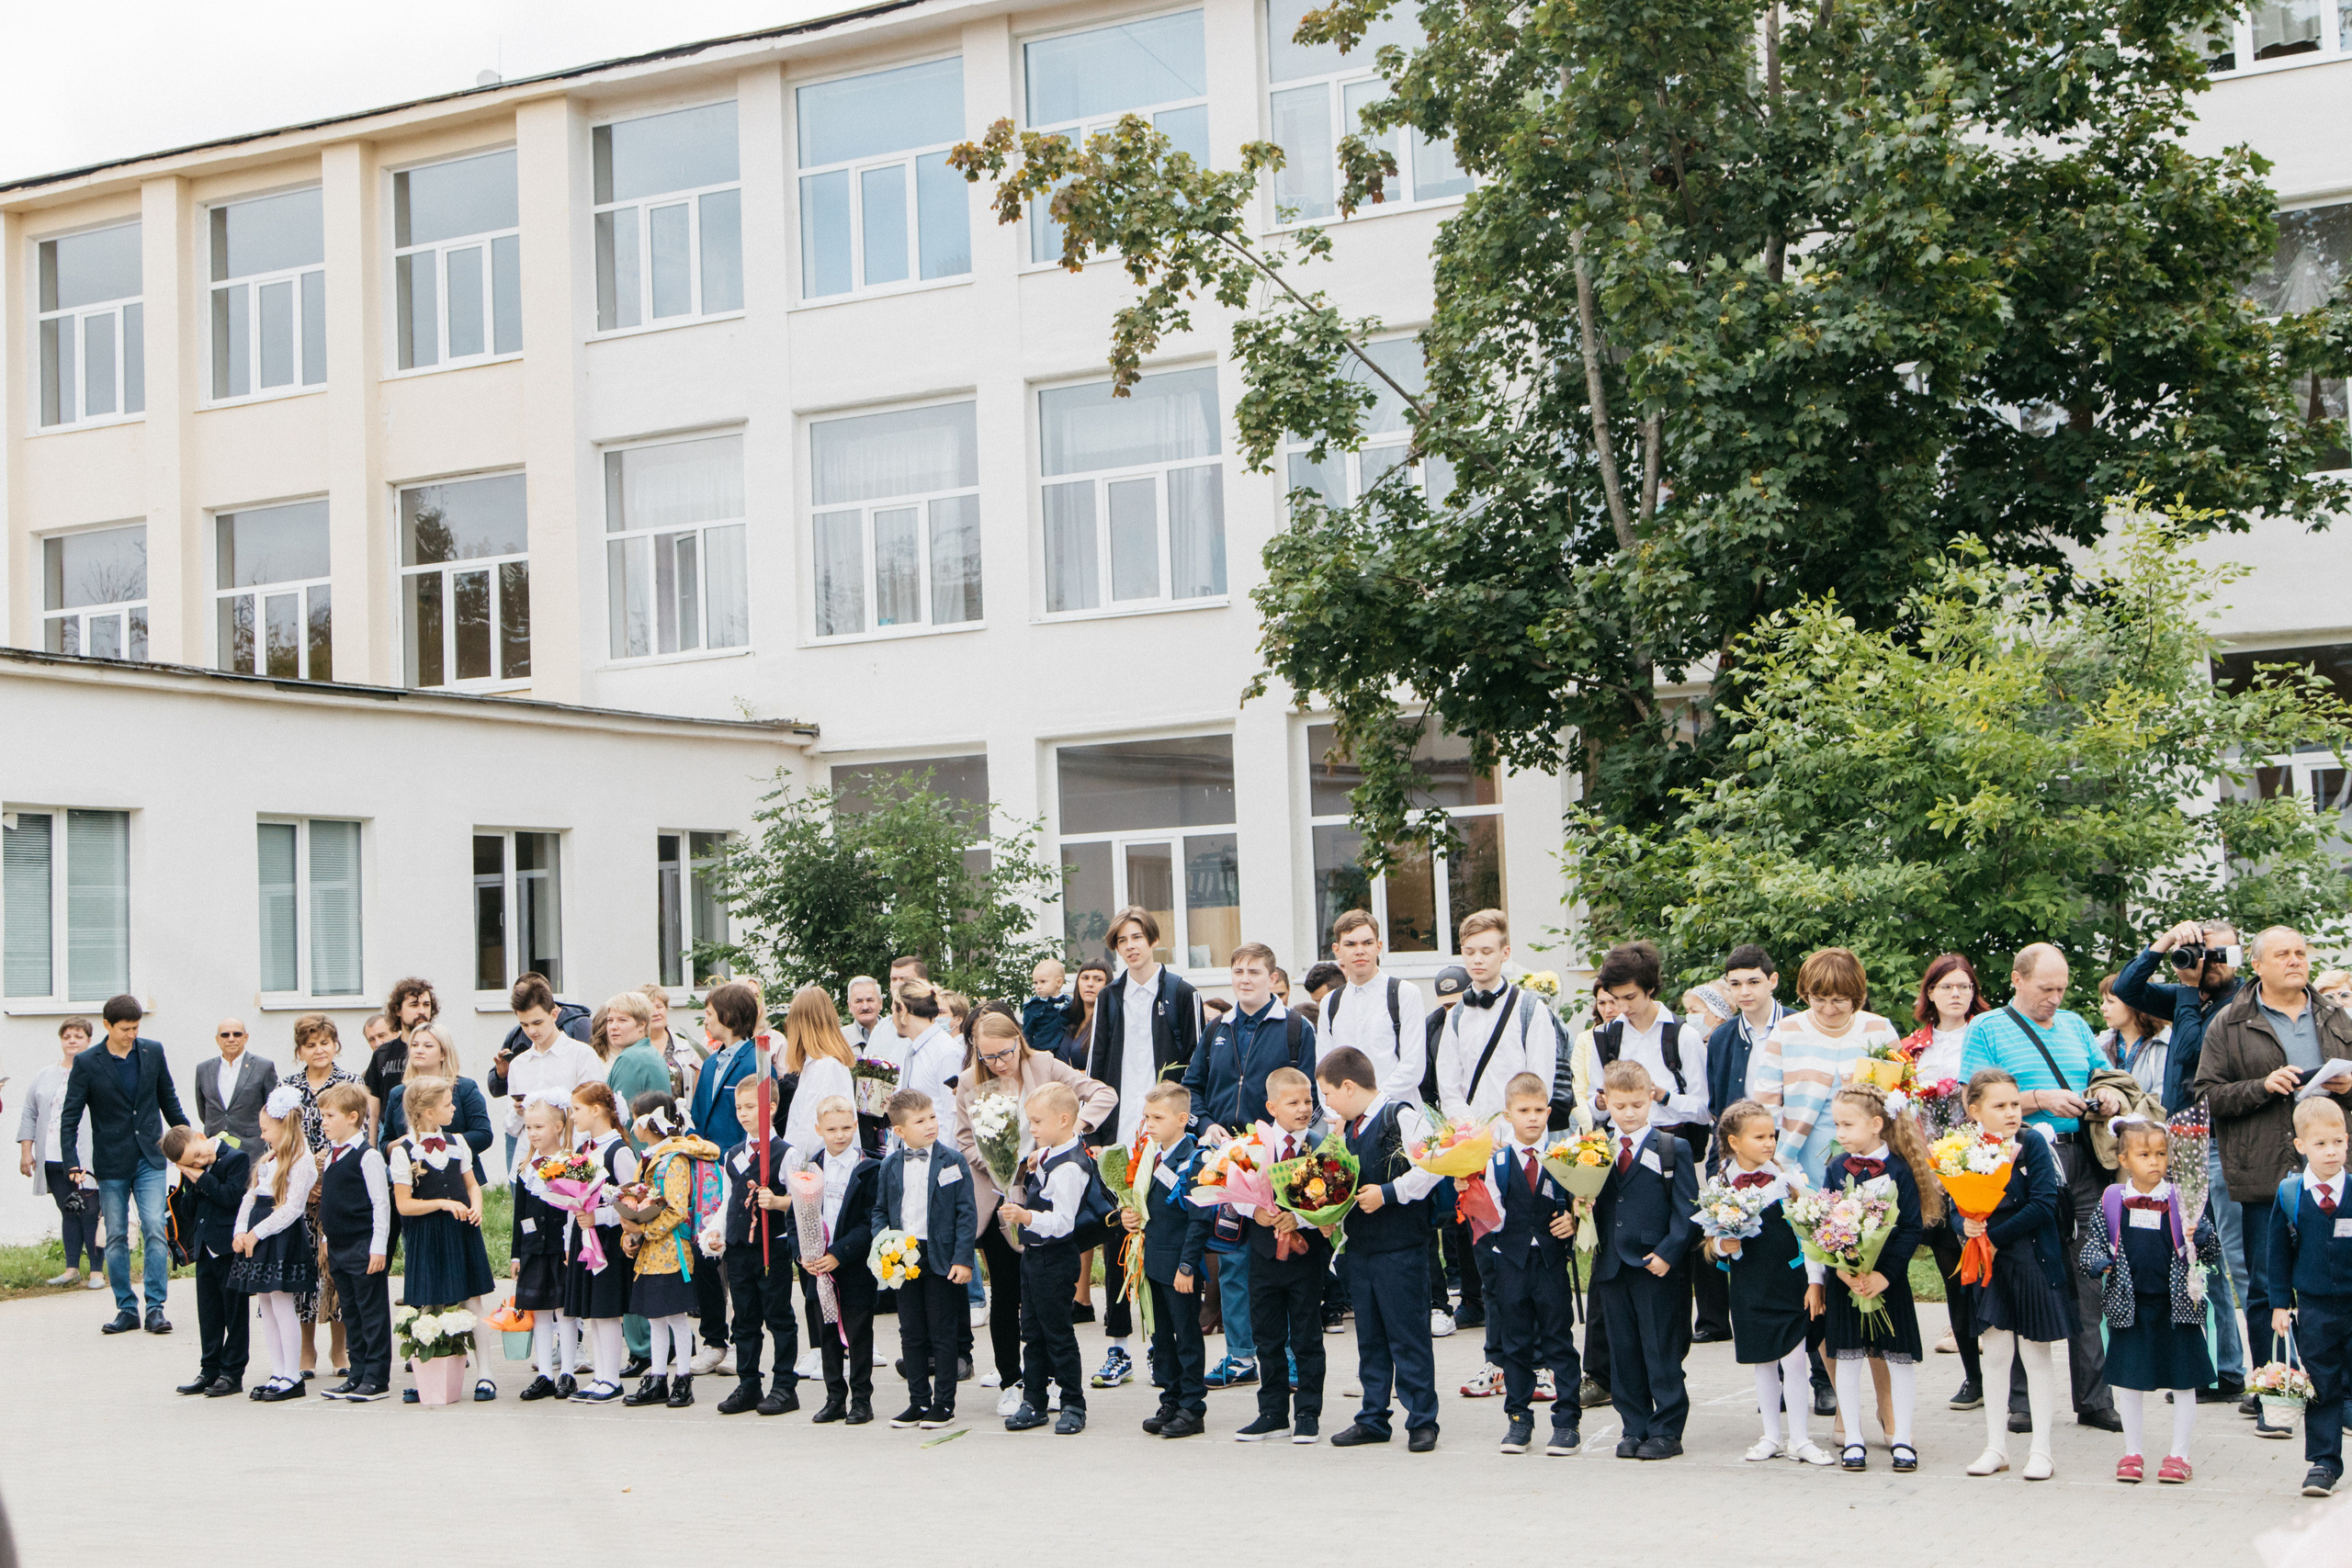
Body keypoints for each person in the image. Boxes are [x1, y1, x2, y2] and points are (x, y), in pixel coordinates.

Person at [2194, 925, 2352, 1385]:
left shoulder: (2337, 1018)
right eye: (2283, 953)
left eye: (2301, 952)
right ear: (2258, 966)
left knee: (2341, 1280)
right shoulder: (2229, 1021)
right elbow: (2206, 1097)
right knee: (2266, 1288)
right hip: (2265, 1172)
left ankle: (2338, 1392)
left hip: (2332, 1174)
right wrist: (2261, 1087)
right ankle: (2274, 1388)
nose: (2295, 960)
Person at [2114, 918, 2252, 1408]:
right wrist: (2168, 942)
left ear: (2238, 958)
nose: (2211, 963)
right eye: (2203, 953)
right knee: (2195, 1257)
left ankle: (2259, 1374)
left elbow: (2192, 1050)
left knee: (2232, 1260)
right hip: (2182, 1141)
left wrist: (2189, 992)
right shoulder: (2185, 994)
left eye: (2222, 954)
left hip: (2219, 1142)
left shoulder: (2238, 1007)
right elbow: (2128, 987)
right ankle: (2224, 1372)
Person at [954, 1009, 1114, 1411]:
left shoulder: (1043, 1063)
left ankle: (1055, 1382)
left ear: (1018, 1041)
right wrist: (999, 1162)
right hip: (998, 1196)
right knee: (1006, 1294)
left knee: (1047, 1296)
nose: (998, 1064)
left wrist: (1070, 1133)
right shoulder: (969, 1081)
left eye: (1004, 1054)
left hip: (1047, 1191)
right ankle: (1013, 1380)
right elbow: (963, 1140)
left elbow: (1103, 1094)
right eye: (987, 1057)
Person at [1182, 941, 1317, 1394]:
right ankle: (1241, 1357)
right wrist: (1205, 1124)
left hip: (1278, 1159)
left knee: (1282, 1261)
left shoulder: (1296, 1029)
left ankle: (1291, 1358)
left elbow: (1309, 1099)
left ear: (1273, 978)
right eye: (1237, 970)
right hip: (1229, 1159)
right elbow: (1192, 1087)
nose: (1244, 979)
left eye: (1254, 972)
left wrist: (1290, 1143)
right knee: (1233, 1262)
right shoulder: (1217, 1027)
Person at [1590, 939, 1723, 1342]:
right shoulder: (1608, 1035)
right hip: (1622, 1144)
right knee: (1615, 1243)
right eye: (1614, 998)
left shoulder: (1680, 1035)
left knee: (1682, 1233)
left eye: (1630, 996)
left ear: (1650, 988)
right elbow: (1597, 1108)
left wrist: (1661, 1097)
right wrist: (1601, 1103)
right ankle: (1605, 1362)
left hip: (1671, 1143)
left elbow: (1704, 1108)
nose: (1623, 1006)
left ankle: (1699, 1326)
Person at [2080, 1115, 2220, 1484]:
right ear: (2124, 1160)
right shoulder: (2113, 1200)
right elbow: (2092, 1244)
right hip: (2131, 1309)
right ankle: (2133, 1451)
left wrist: (2201, 1233)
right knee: (2129, 1382)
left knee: (2184, 1381)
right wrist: (2098, 1263)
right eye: (2144, 1154)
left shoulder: (2182, 1199)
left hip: (2179, 1309)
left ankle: (2180, 1453)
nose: (2155, 1161)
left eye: (2161, 1153)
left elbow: (2211, 1252)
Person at [1320, 1044, 1445, 1452]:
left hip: (1400, 1247)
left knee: (1407, 1336)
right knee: (1370, 1338)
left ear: (1349, 1086)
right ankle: (1373, 1416)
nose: (1327, 1104)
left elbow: (1431, 1168)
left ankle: (1422, 1419)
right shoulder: (1350, 1129)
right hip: (1362, 1249)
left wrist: (1389, 1194)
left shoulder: (1401, 1116)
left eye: (1328, 1094)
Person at [1957, 1068, 2075, 1479]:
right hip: (1990, 1266)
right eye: (2000, 1105)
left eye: (2014, 1104)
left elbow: (2043, 1204)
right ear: (1975, 1111)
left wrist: (1992, 1235)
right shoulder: (1963, 1147)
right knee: (1996, 1355)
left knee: (2035, 1353)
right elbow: (1958, 1205)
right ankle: (1996, 1447)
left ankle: (2041, 1450)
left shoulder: (2032, 1143)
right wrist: (1967, 1227)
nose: (2011, 1112)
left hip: (2032, 1262)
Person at [1709, 1099, 1833, 1466]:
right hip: (1750, 1284)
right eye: (1759, 1137)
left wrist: (1815, 1282)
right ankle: (1771, 1436)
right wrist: (1721, 1244)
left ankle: (1800, 1438)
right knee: (1763, 1361)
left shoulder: (1786, 1180)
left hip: (1789, 1281)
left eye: (1772, 1136)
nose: (1769, 1143)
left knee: (1795, 1360)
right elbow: (1708, 1239)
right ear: (1734, 1142)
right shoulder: (1720, 1185)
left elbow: (1809, 1232)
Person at [1819, 1082, 1933, 1472]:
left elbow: (1910, 1228)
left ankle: (1902, 1436)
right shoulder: (1835, 1168)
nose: (1840, 1134)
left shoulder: (1900, 1169)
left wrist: (1884, 1275)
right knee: (1847, 1359)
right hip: (1847, 1283)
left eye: (1847, 1125)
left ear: (1876, 1124)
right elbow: (1825, 1225)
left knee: (1898, 1358)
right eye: (1836, 1126)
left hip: (1889, 1283)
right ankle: (1853, 1437)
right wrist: (1842, 1270)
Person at [58, 993, 188, 1336]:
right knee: (115, 1236)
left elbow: (168, 1101)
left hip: (150, 1156)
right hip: (111, 1162)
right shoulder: (87, 1062)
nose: (131, 1034)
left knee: (155, 1230)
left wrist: (189, 1145)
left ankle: (156, 1308)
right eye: (125, 1028)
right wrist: (72, 1162)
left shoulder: (153, 1051)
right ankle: (126, 1309)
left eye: (136, 1027)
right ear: (107, 1026)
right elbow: (70, 1116)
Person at [1587, 1059, 1698, 1460]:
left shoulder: (1672, 1147)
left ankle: (1667, 1430)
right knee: (1623, 1352)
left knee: (1661, 1349)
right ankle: (1633, 1426)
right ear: (1606, 1102)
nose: (1629, 1114)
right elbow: (1592, 1202)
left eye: (1637, 1104)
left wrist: (1668, 1253)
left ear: (1651, 1098)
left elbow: (1687, 1209)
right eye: (1620, 1106)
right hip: (1613, 1266)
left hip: (1656, 1267)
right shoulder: (1595, 1148)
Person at [998, 1080, 1114, 1435]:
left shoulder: (1070, 1168)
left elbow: (1063, 1222)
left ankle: (1073, 1403)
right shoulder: (1049, 1153)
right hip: (1034, 1256)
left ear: (1064, 1120)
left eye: (1037, 1122)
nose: (1031, 1129)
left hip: (1055, 1256)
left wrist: (1025, 1216)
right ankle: (1033, 1399)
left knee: (1057, 1333)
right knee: (1031, 1331)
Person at [1480, 1072, 1584, 1458]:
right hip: (1511, 1261)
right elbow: (1488, 1212)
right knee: (1516, 1342)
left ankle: (1567, 1421)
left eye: (1539, 1110)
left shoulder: (1565, 1157)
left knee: (1559, 1340)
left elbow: (1582, 1202)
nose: (1533, 1118)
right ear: (1508, 1115)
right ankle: (1519, 1420)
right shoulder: (1499, 1162)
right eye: (1524, 1110)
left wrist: (1574, 1219)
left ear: (1549, 1112)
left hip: (1551, 1260)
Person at [1230, 1067, 1328, 1442]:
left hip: (1305, 1257)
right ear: (1272, 1106)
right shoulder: (1255, 1144)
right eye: (1294, 1102)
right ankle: (1271, 1412)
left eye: (1308, 1101)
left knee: (1306, 1336)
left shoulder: (1320, 1145)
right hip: (1264, 1255)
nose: (1303, 1109)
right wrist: (1253, 1210)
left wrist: (1300, 1217)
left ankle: (1307, 1413)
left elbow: (1333, 1197)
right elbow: (1234, 1188)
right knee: (1267, 1337)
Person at [389, 1075, 498, 1403]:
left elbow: (472, 1185)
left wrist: (475, 1207)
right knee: (429, 1303)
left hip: (461, 1230)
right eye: (448, 1105)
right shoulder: (403, 1151)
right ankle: (428, 1374)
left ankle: (486, 1375)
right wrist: (441, 1203)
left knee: (473, 1301)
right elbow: (404, 1204)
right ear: (426, 1112)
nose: (453, 1109)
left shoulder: (457, 1143)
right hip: (426, 1233)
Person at [875, 1089, 978, 1429]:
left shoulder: (952, 1160)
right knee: (911, 1332)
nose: (931, 1125)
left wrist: (963, 1259)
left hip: (941, 1255)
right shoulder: (889, 1165)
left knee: (943, 1331)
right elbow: (880, 1211)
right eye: (921, 1121)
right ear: (899, 1131)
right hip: (903, 1254)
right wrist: (885, 1245)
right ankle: (917, 1401)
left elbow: (966, 1213)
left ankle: (943, 1404)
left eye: (932, 1117)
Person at [1751, 948, 1900, 1183]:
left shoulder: (1879, 1028)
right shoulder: (1787, 1031)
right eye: (1818, 1000)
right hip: (1803, 1160)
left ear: (1857, 996)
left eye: (1839, 1001)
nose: (1829, 1010)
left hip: (1873, 1161)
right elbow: (1765, 1104)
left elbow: (1902, 1098)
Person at [2265, 1098, 2352, 1497]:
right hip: (2315, 1309)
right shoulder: (2290, 1195)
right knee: (2321, 1385)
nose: (2331, 1151)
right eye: (2320, 1144)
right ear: (2301, 1146)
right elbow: (2278, 1253)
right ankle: (2324, 1463)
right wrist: (2280, 1304)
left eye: (2338, 1141)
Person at [618, 1094, 721, 1409]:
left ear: (648, 1122)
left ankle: (683, 1380)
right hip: (652, 1253)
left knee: (675, 1316)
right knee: (655, 1317)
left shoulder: (673, 1159)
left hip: (671, 1250)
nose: (633, 1126)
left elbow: (676, 1209)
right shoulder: (649, 1158)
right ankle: (658, 1378)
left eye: (636, 1120)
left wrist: (644, 1230)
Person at [1122, 1081, 1212, 1438]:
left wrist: (1187, 1266)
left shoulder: (1195, 1158)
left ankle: (1193, 1406)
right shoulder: (1152, 1156)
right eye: (1147, 1117)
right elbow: (1146, 1207)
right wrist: (1130, 1216)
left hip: (1178, 1266)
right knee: (1162, 1337)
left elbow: (1199, 1218)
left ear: (1183, 1119)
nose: (1150, 1124)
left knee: (1186, 1335)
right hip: (1153, 1263)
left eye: (1158, 1117)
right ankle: (1171, 1398)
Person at [710, 1079, 800, 1416]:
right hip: (739, 1247)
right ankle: (748, 1383)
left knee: (778, 1317)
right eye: (739, 1108)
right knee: (744, 1319)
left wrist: (777, 1202)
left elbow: (803, 1200)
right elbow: (726, 1201)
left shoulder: (786, 1153)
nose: (744, 1114)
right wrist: (716, 1233)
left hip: (771, 1247)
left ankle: (784, 1386)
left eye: (751, 1107)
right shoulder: (732, 1155)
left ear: (771, 1108)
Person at [226, 1086, 320, 1403]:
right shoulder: (270, 1158)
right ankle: (278, 1370)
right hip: (258, 1233)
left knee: (281, 1304)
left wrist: (256, 1234)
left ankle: (292, 1375)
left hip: (279, 1236)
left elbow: (292, 1209)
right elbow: (250, 1196)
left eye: (266, 1129)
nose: (263, 1135)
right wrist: (241, 1229)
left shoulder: (301, 1161)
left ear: (284, 1126)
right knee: (265, 1305)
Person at [1086, 905, 1204, 1152]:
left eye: (1137, 937)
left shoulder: (1182, 994)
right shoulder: (1107, 998)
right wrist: (1093, 1136)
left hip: (1169, 1132)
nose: (1130, 946)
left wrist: (1193, 1124)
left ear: (1153, 940)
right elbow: (1095, 1067)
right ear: (1116, 948)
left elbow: (1199, 1066)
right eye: (1122, 940)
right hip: (1119, 1129)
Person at [279, 1013, 358, 1375]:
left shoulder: (350, 1083)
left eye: (324, 1043)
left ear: (335, 1045)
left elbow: (359, 1136)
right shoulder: (289, 1087)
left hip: (338, 1185)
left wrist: (328, 1178)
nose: (319, 1050)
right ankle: (305, 1351)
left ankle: (338, 1352)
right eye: (310, 1045)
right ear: (300, 1051)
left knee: (337, 1271)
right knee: (304, 1273)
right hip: (301, 1192)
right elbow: (283, 1138)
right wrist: (305, 1178)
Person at [794, 1095, 878, 1426]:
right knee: (825, 1333)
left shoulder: (868, 1167)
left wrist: (838, 1254)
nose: (839, 1135)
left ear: (855, 1126)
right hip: (817, 1268)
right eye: (831, 1129)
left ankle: (861, 1399)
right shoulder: (808, 1167)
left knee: (857, 1333)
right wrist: (803, 1254)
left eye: (846, 1127)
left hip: (851, 1266)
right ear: (819, 1129)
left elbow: (870, 1219)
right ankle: (834, 1397)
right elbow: (795, 1215)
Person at [312, 1083, 390, 1402]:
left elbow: (380, 1203)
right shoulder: (332, 1154)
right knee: (351, 1313)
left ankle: (376, 1377)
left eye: (330, 1115)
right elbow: (331, 1202)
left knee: (371, 1312)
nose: (324, 1121)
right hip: (340, 1247)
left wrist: (379, 1246)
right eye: (323, 1115)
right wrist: (328, 1238)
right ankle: (357, 1373)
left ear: (353, 1117)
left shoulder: (366, 1156)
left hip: (364, 1245)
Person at [161, 1122, 252, 1397]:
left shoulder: (236, 1159)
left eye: (199, 1154)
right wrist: (188, 1184)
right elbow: (189, 1210)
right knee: (209, 1313)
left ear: (202, 1137)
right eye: (192, 1162)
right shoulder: (193, 1172)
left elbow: (232, 1198)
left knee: (234, 1313)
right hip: (204, 1248)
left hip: (229, 1247)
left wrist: (201, 1179)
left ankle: (232, 1373)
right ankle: (208, 1368)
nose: (200, 1161)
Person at [562, 1081, 639, 1404]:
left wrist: (601, 1218)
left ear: (596, 1110)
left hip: (607, 1240)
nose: (573, 1115)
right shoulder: (583, 1150)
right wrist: (572, 1239)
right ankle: (601, 1376)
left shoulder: (618, 1151)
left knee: (606, 1311)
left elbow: (632, 1200)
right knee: (593, 1311)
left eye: (577, 1109)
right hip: (585, 1239)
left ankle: (612, 1378)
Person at [1316, 908, 1430, 1114]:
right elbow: (1323, 1071)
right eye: (1350, 944)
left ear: (1379, 947)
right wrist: (1339, 1115)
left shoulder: (1404, 993)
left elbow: (1412, 1068)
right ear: (1337, 949)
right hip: (1345, 1123)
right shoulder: (1330, 1003)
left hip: (1395, 1116)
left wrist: (1369, 1109)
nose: (1360, 950)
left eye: (1367, 943)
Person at [491, 975, 606, 1176]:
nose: (532, 1031)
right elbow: (510, 1127)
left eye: (537, 1022)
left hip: (571, 1166)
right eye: (524, 1025)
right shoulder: (518, 1064)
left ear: (554, 1014)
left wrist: (576, 1162)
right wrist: (520, 1113)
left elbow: (597, 1115)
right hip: (527, 1168)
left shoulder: (582, 1055)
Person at [16, 1017, 101, 1289]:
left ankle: (96, 1272)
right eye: (67, 1037)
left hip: (85, 1156)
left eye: (78, 1036)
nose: (72, 1041)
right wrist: (27, 1151)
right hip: (52, 1156)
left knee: (90, 1210)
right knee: (69, 1211)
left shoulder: (97, 1072)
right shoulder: (45, 1075)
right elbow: (30, 1112)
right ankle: (71, 1268)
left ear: (89, 1040)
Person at [508, 1093, 580, 1400]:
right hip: (533, 1249)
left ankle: (568, 1372)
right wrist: (516, 1253)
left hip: (561, 1249)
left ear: (559, 1126)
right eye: (529, 1128)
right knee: (538, 1310)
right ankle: (544, 1375)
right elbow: (519, 1214)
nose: (533, 1134)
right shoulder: (527, 1168)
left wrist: (573, 1246)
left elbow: (576, 1208)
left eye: (539, 1127)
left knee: (564, 1310)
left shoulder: (571, 1164)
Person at [1706, 946, 1782, 1146]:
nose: (1745, 992)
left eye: (1754, 982)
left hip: (1791, 1144)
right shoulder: (1721, 1037)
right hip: (1741, 1148)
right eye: (1736, 984)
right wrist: (1716, 1167)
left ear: (1772, 981)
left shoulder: (1798, 1026)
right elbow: (1719, 1111)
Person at [778, 985, 857, 1154]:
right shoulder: (816, 1064)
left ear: (801, 1025)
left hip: (817, 1170)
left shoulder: (826, 1066)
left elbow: (811, 1132)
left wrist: (793, 1168)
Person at [892, 982, 964, 1149]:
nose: (892, 1018)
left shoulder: (946, 1052)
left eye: (892, 1010)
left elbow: (952, 1115)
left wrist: (940, 1164)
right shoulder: (912, 1051)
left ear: (902, 1008)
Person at [364, 978, 437, 1136]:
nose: (422, 1011)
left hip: (430, 1132)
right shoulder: (382, 1054)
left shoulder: (439, 1049)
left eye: (426, 1005)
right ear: (397, 1010)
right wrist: (371, 1147)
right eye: (414, 1005)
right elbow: (373, 1109)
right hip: (390, 1135)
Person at [194, 1018, 276, 1143]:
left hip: (251, 1147)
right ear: (217, 1039)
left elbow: (271, 1110)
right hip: (215, 1147)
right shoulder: (203, 1069)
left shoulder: (263, 1067)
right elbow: (203, 1110)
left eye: (237, 1034)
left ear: (246, 1037)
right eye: (225, 1035)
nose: (231, 1039)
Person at [603, 991, 674, 1131]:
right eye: (610, 1020)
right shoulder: (650, 1052)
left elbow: (619, 1117)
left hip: (634, 1148)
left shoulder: (630, 1058)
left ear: (642, 1025)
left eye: (622, 1020)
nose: (613, 1026)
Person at [2098, 976, 2172, 1100]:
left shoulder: (2165, 1044)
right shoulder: (2099, 1043)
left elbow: (2162, 1097)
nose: (2103, 1007)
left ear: (2134, 1004)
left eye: (2110, 1001)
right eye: (2103, 1001)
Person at [639, 982, 709, 1102]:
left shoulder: (688, 1046)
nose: (655, 1013)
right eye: (650, 1008)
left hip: (682, 1118)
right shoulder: (636, 1049)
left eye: (659, 1007)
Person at [1060, 959, 1112, 1069]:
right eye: (1085, 978)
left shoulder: (1109, 1024)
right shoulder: (1066, 1017)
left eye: (1098, 979)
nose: (1090, 984)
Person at [1023, 958, 1074, 1065]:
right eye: (1036, 983)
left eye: (1043, 982)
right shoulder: (1033, 1007)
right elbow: (1026, 1035)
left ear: (1059, 982)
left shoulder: (1070, 1005)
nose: (1038, 987)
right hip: (1042, 1053)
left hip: (1066, 1054)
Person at [843, 975, 889, 1055]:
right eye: (859, 1001)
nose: (865, 1007)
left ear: (880, 1003)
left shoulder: (895, 1034)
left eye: (870, 1000)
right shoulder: (840, 1039)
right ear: (849, 1006)